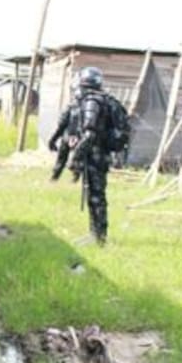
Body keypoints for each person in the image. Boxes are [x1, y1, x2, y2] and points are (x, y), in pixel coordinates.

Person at [66, 67, 114, 244]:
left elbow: (90, 134)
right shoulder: (98, 99)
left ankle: (99, 237)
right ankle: (95, 234)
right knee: (93, 196)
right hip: (96, 154)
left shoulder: (92, 102)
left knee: (96, 197)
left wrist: (75, 157)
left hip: (96, 156)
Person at [47, 85, 82, 181]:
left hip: (69, 136)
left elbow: (61, 125)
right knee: (79, 158)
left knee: (61, 158)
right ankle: (75, 177)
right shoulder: (89, 108)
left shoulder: (70, 107)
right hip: (80, 137)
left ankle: (55, 177)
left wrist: (53, 139)